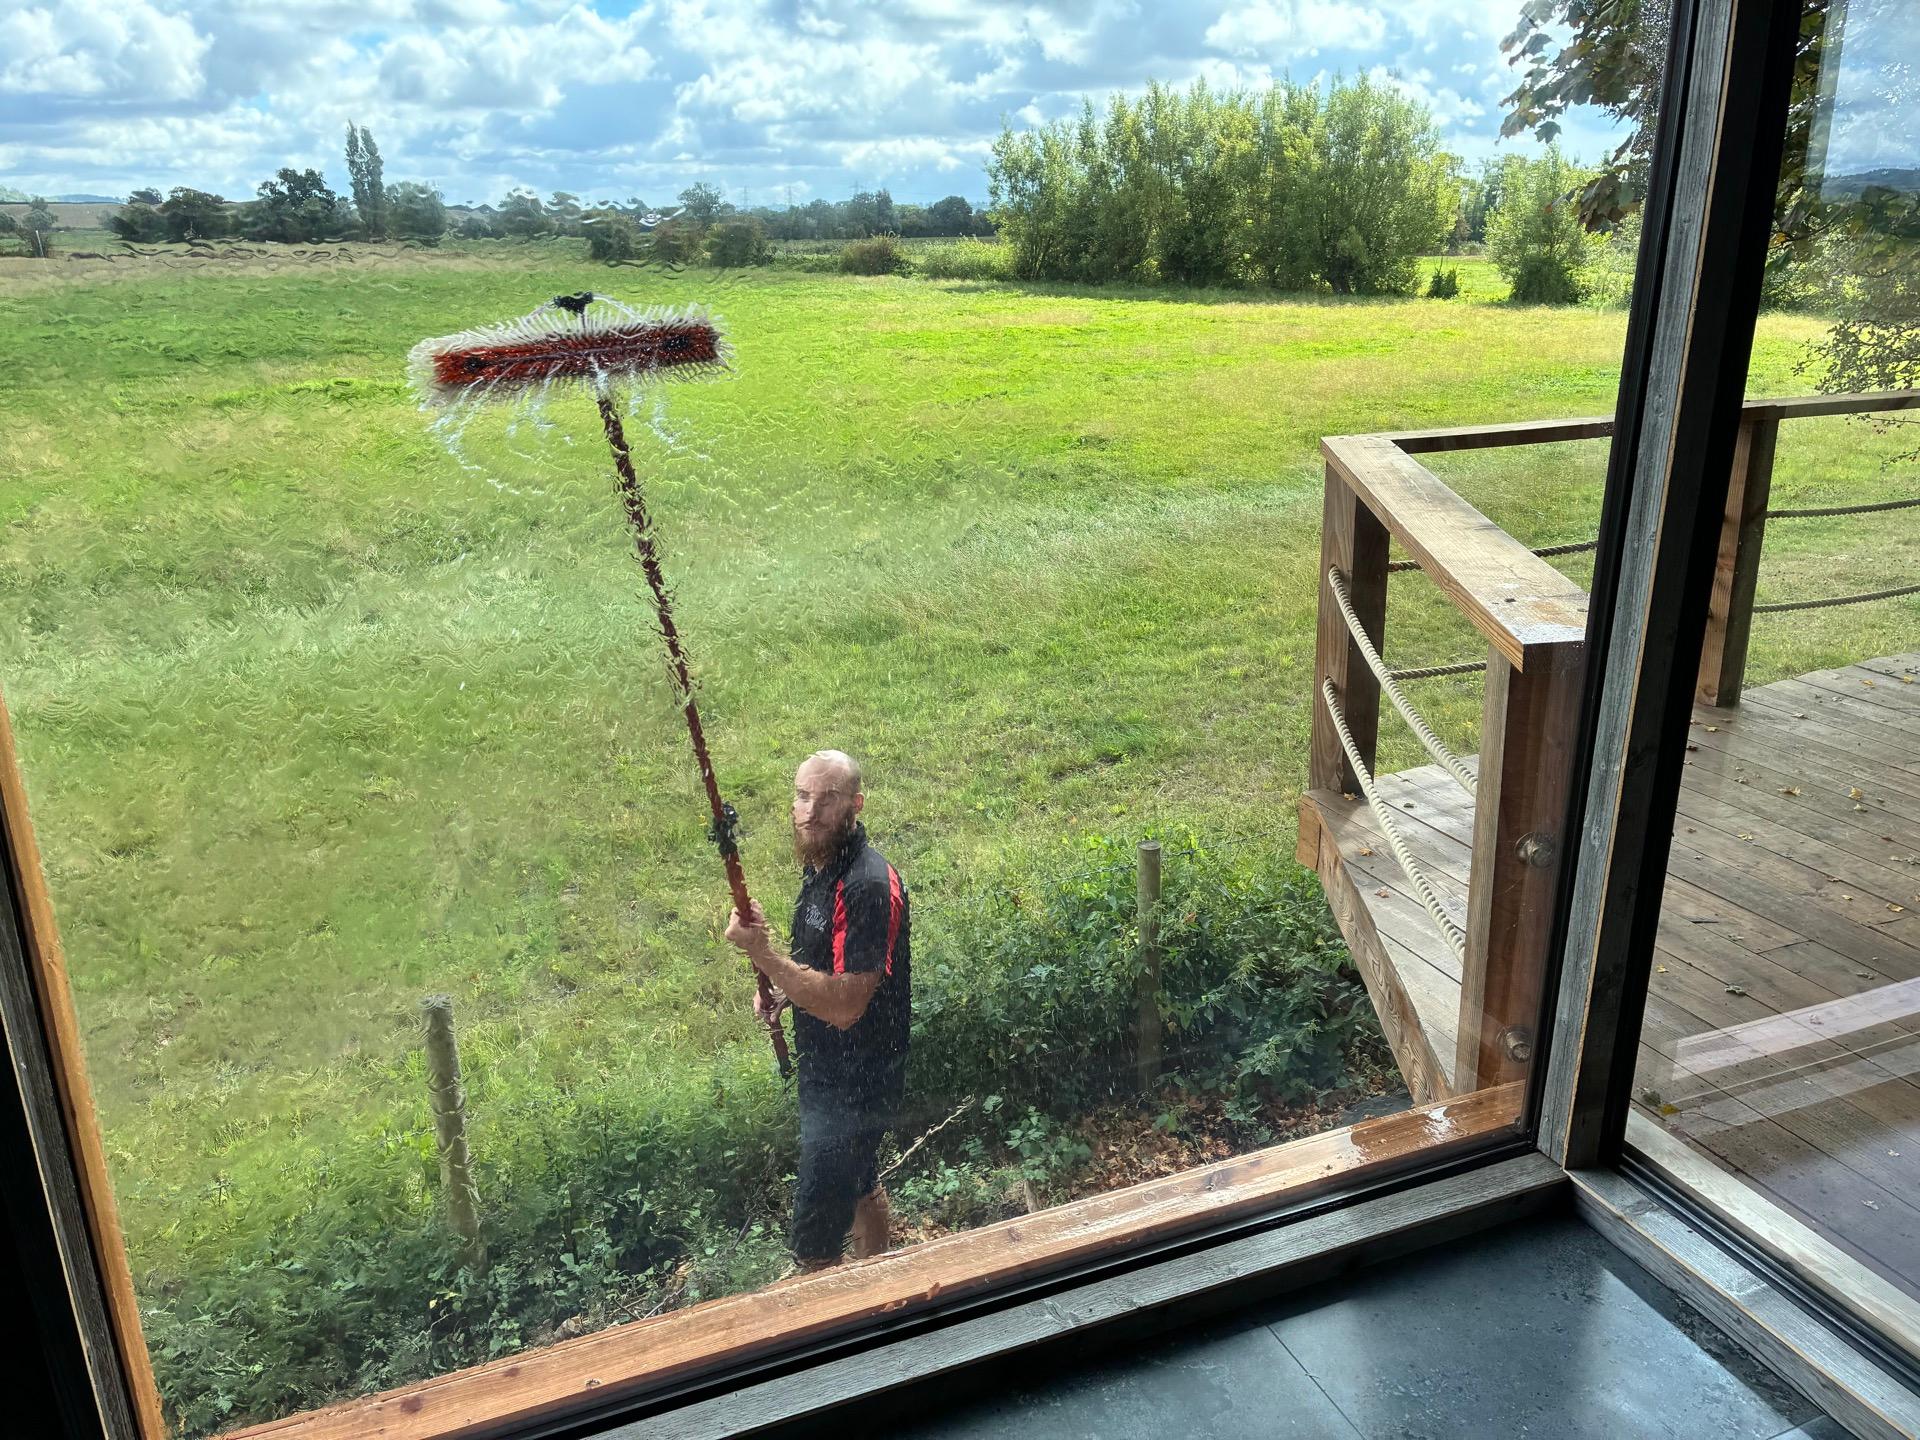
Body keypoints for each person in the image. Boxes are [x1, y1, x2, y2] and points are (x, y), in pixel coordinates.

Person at [725, 749, 911, 1267]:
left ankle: (834, 1328)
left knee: (813, 1239)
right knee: (860, 1182)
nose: (809, 811)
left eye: (826, 800)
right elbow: (824, 966)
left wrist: (763, 954)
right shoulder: (824, 867)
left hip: (858, 1079)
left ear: (855, 805)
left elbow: (848, 1004)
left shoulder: (867, 885)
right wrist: (785, 990)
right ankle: (882, 1282)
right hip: (829, 1065)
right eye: (802, 797)